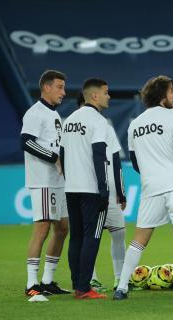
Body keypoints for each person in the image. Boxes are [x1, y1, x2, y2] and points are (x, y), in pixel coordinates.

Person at [113, 75, 173, 301]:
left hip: (150, 186)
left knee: (139, 239)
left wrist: (151, 173)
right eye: (172, 91)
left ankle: (122, 287)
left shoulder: (135, 124)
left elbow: (135, 161)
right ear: (163, 95)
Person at [60, 78, 112, 299]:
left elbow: (62, 155)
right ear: (94, 95)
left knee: (77, 237)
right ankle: (84, 288)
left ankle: (77, 284)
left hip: (71, 188)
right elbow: (99, 155)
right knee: (93, 236)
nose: (109, 96)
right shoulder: (98, 121)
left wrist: (70, 177)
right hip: (91, 189)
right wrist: (104, 189)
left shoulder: (69, 120)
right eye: (106, 92)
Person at [21, 70, 70, 296]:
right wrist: (54, 158)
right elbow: (27, 142)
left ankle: (48, 280)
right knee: (42, 228)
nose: (63, 92)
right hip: (42, 180)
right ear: (47, 87)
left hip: (57, 180)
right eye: (59, 87)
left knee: (62, 228)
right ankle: (32, 284)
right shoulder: (35, 113)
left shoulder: (54, 115)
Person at [74, 94, 128, 293]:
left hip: (109, 188)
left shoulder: (105, 127)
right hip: (87, 188)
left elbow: (116, 161)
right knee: (88, 235)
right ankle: (92, 279)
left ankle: (120, 278)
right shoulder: (74, 128)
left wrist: (121, 192)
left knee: (119, 232)